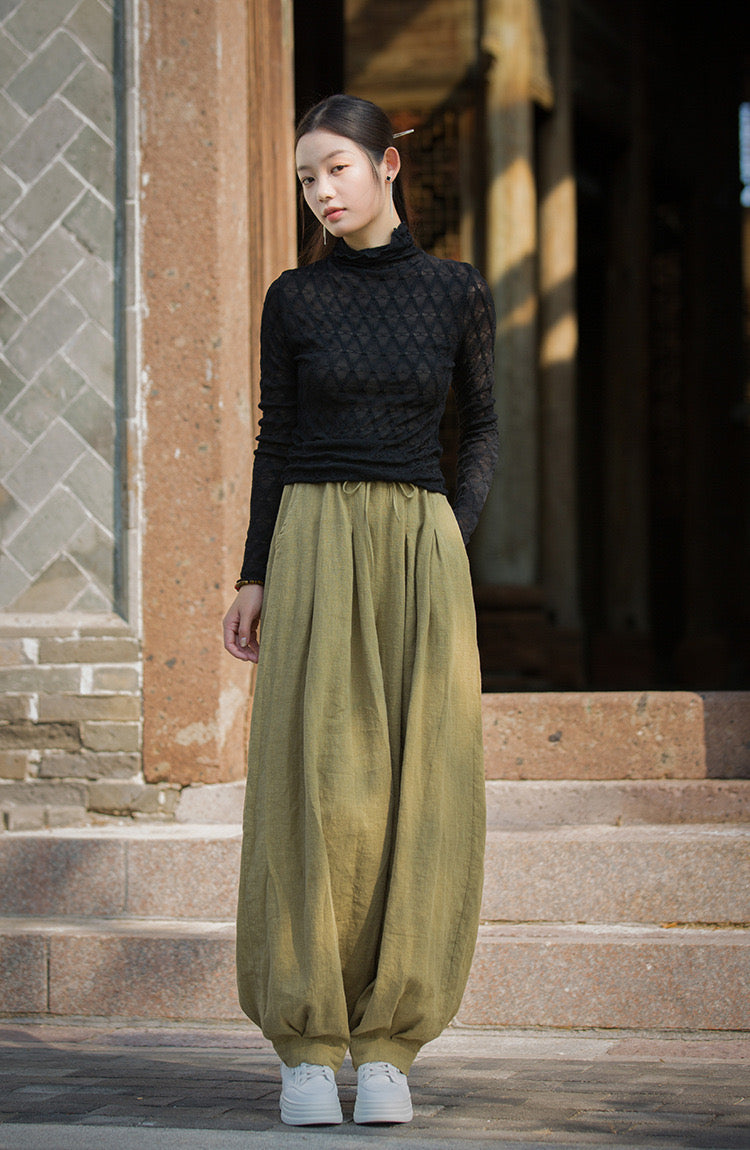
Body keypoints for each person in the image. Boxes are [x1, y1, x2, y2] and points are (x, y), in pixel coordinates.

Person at [223, 93, 499, 1127]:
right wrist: (254, 571)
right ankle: (306, 1046)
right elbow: (277, 435)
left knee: (425, 787)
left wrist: (449, 533)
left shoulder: (455, 291)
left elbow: (484, 426)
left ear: (388, 166)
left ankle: (388, 1048)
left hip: (419, 546)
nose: (321, 191)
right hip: (311, 542)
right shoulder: (294, 298)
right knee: (315, 786)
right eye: (307, 176)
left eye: (336, 167)